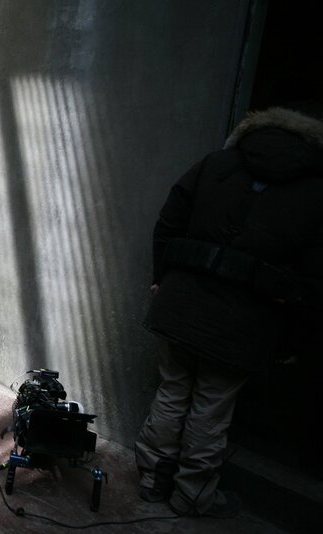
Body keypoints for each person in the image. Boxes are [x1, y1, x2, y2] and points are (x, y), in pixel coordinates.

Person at [135, 104, 323, 518]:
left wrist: (162, 277)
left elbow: (168, 223)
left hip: (182, 301)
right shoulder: (315, 192)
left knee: (172, 389)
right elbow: (313, 276)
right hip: (244, 318)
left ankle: (151, 479)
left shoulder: (215, 164)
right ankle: (191, 495)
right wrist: (291, 331)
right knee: (211, 405)